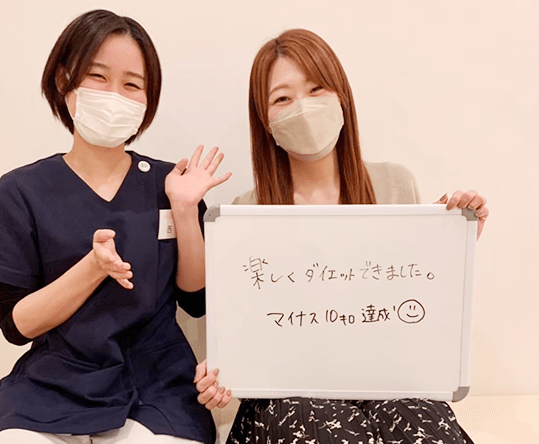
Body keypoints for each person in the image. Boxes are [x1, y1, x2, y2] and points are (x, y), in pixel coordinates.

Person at [194, 29, 488, 443]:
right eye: (282, 98)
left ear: (342, 98)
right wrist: (221, 373)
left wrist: (455, 243)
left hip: (388, 381)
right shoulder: (246, 212)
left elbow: (419, 303)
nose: (303, 107)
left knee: (423, 428)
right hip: (286, 394)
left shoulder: (395, 184)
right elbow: (242, 331)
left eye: (316, 89)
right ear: (265, 121)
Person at [0, 9, 230, 444]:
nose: (114, 95)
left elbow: (196, 299)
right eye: (97, 76)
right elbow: (16, 325)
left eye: (132, 84)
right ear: (63, 81)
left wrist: (185, 209)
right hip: (52, 382)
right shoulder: (22, 190)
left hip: (159, 384)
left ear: (148, 99)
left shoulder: (172, 184)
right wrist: (92, 268)